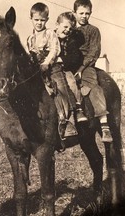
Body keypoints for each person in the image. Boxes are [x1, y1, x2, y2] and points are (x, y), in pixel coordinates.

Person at [26, 2, 78, 139]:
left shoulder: (50, 33)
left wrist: (47, 63)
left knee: (61, 89)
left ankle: (68, 120)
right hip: (37, 70)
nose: (39, 23)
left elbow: (55, 50)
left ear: (47, 20)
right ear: (31, 19)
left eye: (42, 20)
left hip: (52, 68)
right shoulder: (30, 38)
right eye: (36, 20)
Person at [73, 0, 113, 142]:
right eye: (81, 13)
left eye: (87, 13)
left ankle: (104, 124)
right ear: (74, 13)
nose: (84, 16)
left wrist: (82, 68)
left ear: (90, 13)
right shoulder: (68, 28)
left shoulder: (93, 30)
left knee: (94, 87)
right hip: (69, 63)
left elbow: (94, 52)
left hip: (86, 65)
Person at [55, 12, 88, 123]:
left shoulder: (71, 41)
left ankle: (78, 108)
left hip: (64, 69)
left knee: (71, 81)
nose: (68, 30)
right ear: (57, 25)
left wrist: (61, 60)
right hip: (50, 69)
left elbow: (74, 57)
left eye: (70, 28)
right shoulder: (50, 36)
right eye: (65, 26)